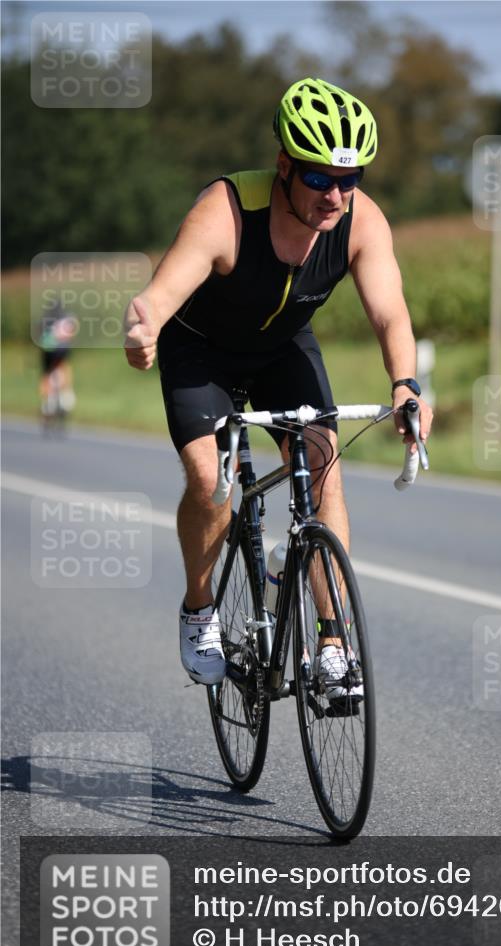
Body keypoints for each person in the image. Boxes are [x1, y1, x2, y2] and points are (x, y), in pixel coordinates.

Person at [124, 77, 433, 690]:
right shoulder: (228, 210)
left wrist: (405, 383)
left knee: (323, 466)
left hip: (281, 349)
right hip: (202, 352)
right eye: (319, 177)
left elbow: (390, 312)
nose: (335, 195)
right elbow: (159, 295)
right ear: (284, 166)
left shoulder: (360, 222)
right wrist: (143, 328)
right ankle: (200, 607)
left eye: (350, 179)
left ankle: (332, 643)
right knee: (211, 479)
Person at [38, 300, 77, 418]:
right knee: (64, 367)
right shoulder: (68, 317)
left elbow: (39, 335)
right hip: (63, 350)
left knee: (46, 372)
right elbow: (73, 330)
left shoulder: (46, 318)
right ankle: (66, 395)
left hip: (48, 351)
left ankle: (47, 402)